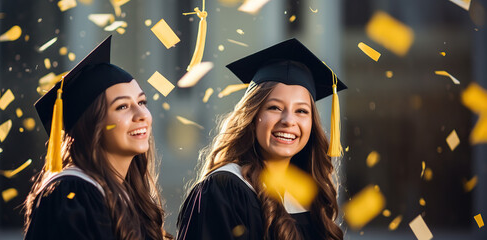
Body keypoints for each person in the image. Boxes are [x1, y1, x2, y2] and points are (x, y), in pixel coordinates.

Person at [177, 38, 347, 240]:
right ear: (253, 116)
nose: (288, 120)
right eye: (274, 107)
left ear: (312, 124)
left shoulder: (310, 197)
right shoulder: (224, 188)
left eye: (301, 111)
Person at [23, 36, 172, 240]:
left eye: (142, 102)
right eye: (122, 107)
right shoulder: (72, 193)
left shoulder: (130, 197)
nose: (142, 115)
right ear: (93, 124)